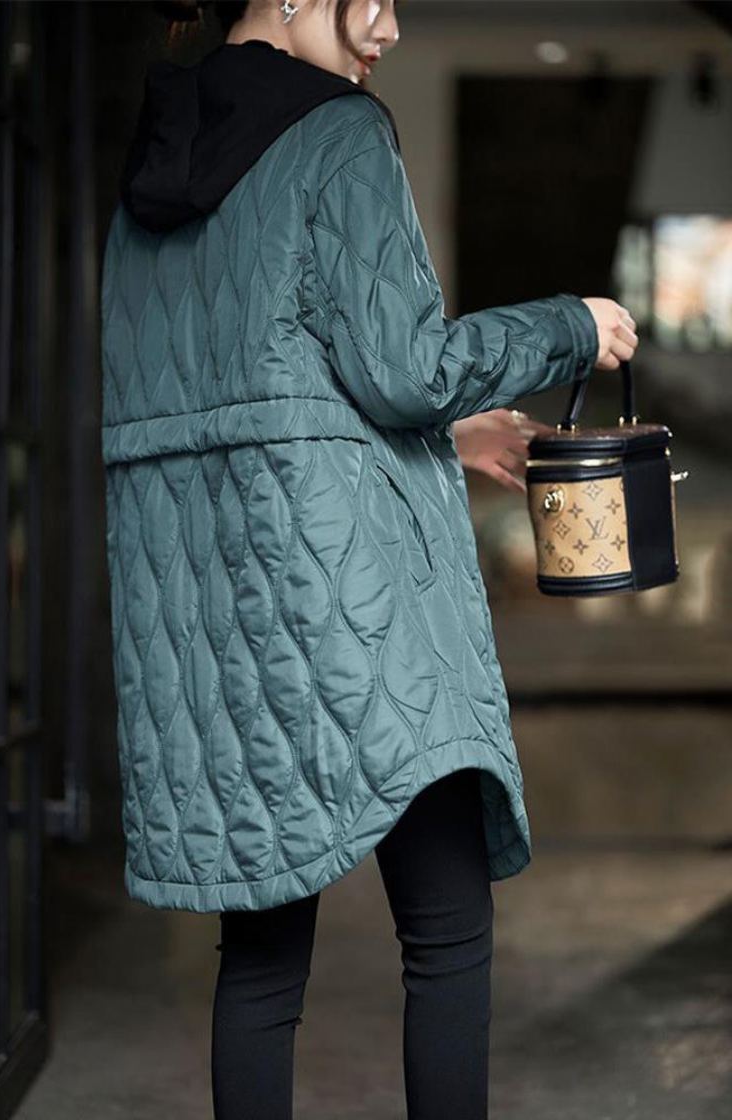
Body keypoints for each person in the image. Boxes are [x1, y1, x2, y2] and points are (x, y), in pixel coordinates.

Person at [99, 1, 639, 1116]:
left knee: (257, 958)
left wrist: (449, 436)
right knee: (445, 930)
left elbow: (255, 387)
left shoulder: (150, 166)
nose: (386, 28)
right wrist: (569, 324)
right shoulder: (339, 130)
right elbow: (401, 371)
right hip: (355, 602)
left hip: (209, 608)